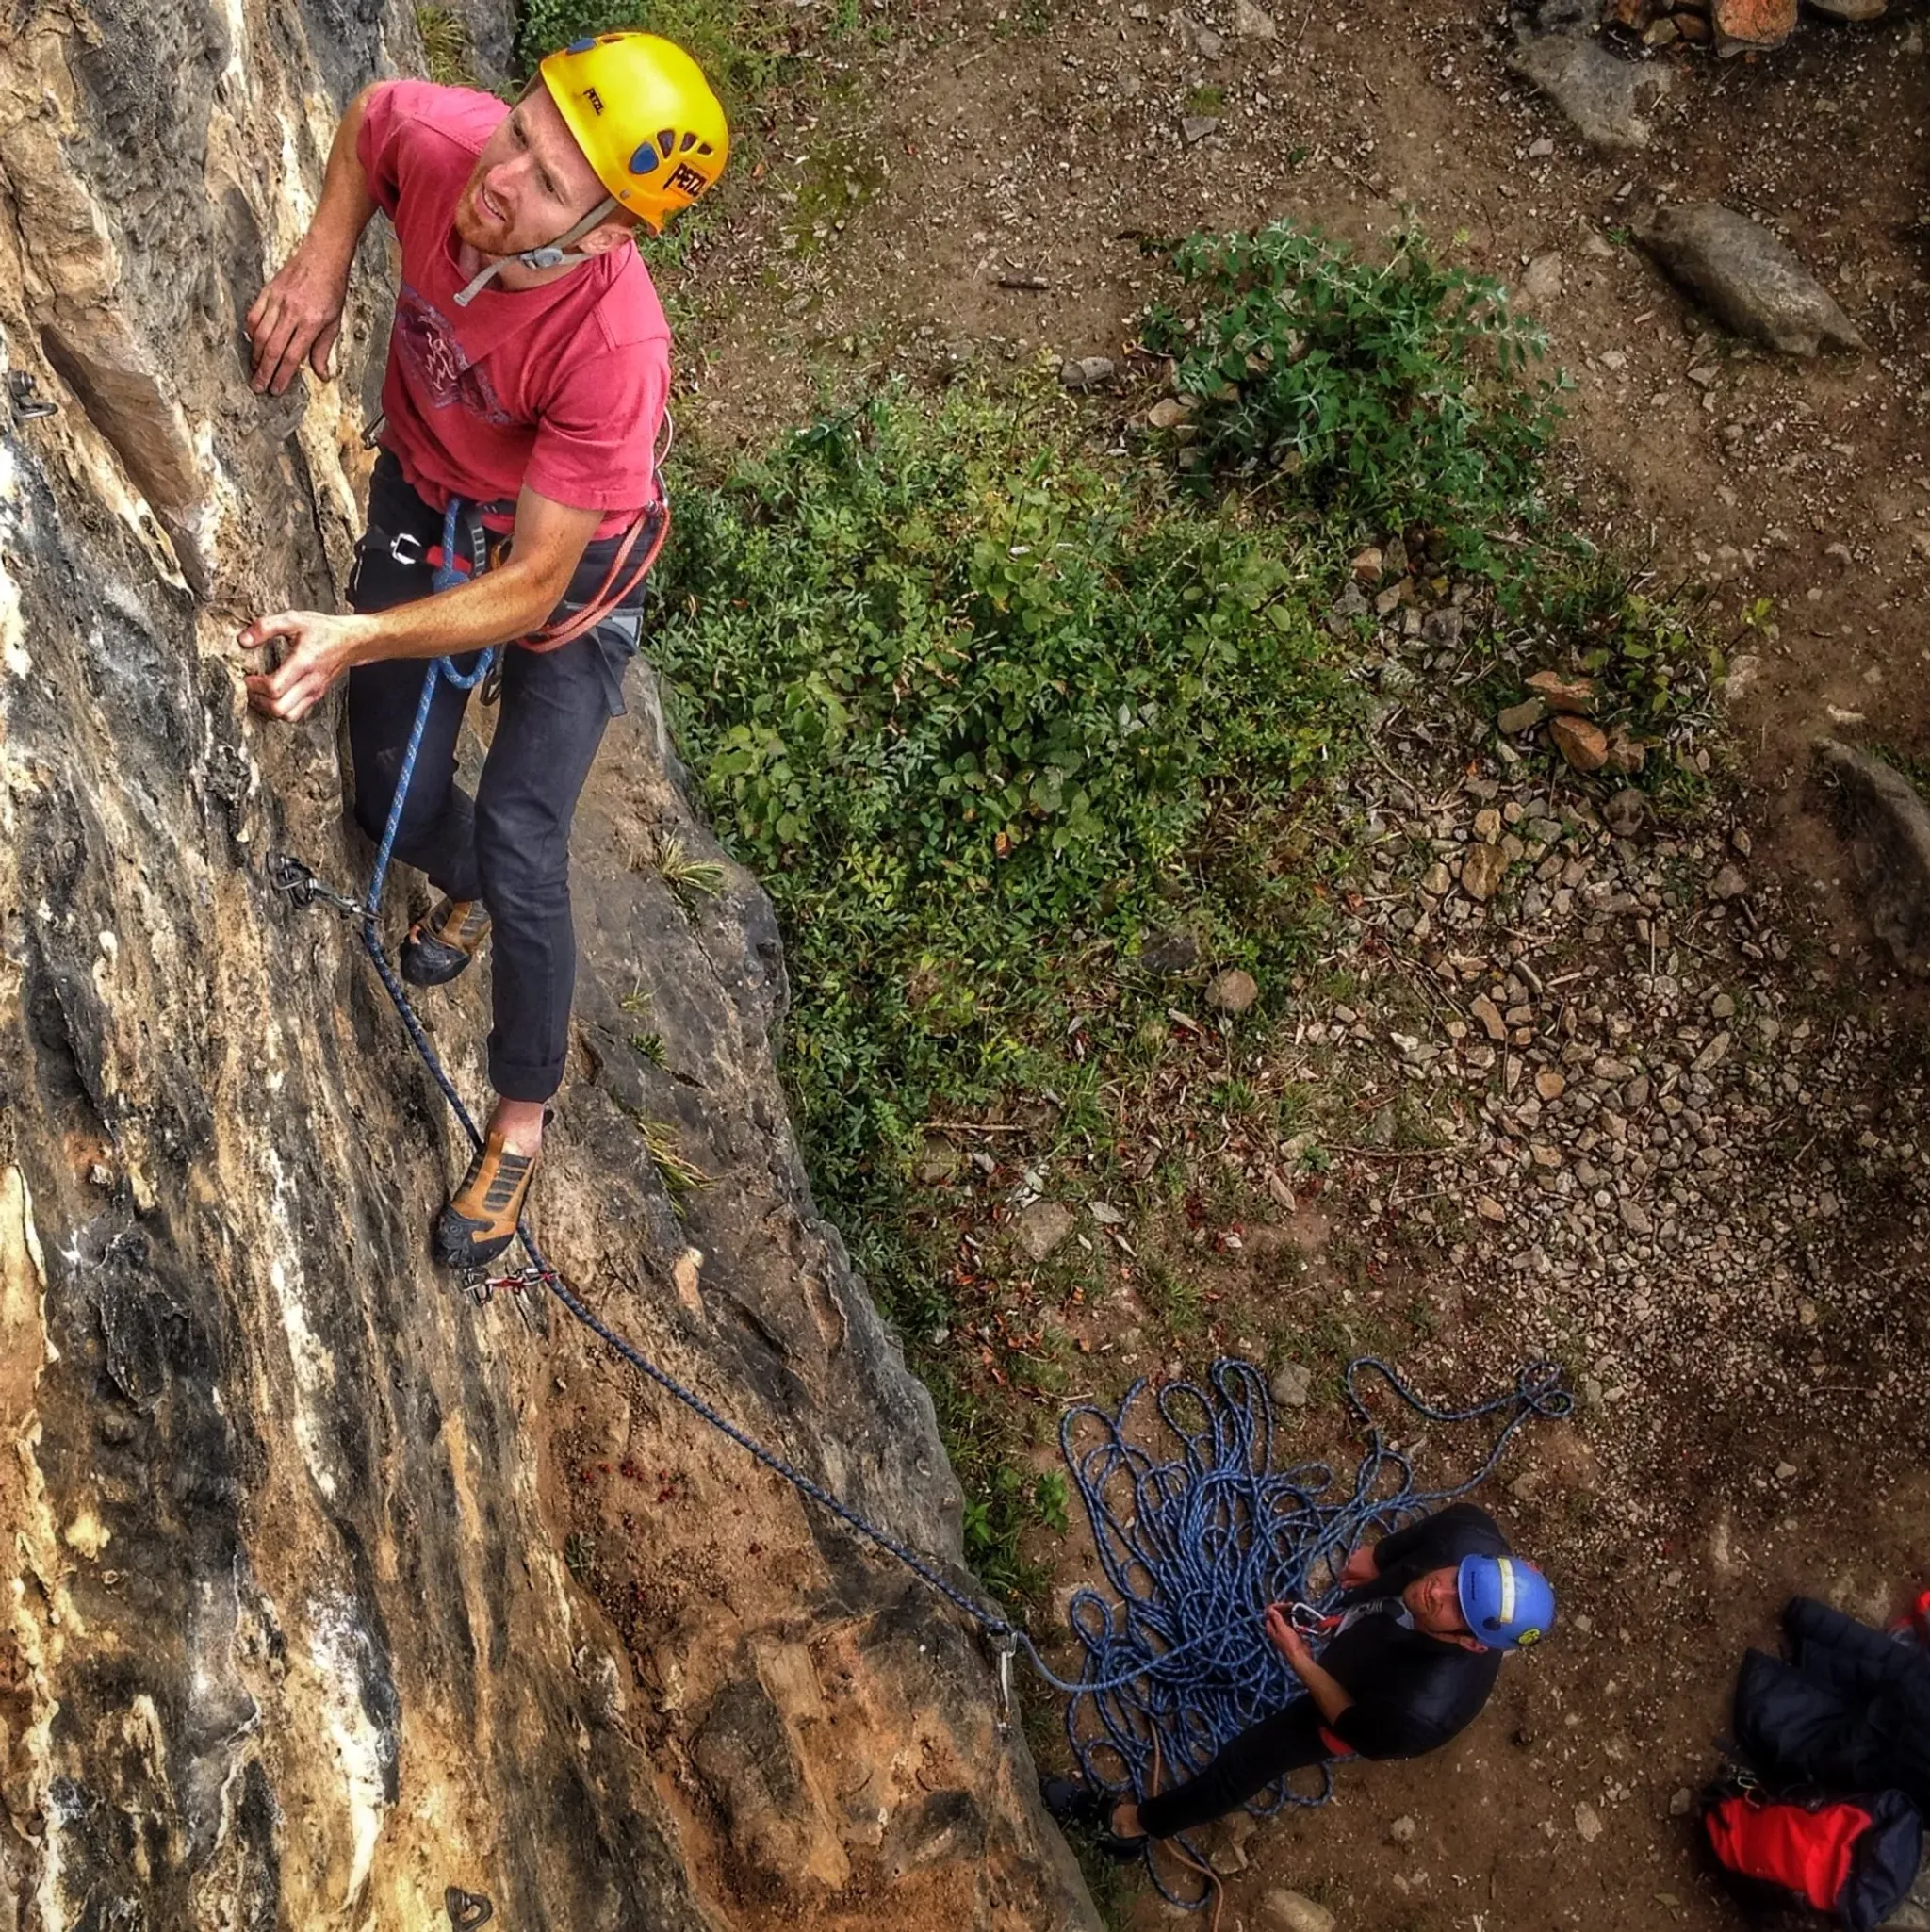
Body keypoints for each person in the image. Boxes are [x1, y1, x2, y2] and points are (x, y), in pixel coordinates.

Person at [237, 35, 728, 1267]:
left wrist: (359, 634)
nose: (502, 178)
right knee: (384, 795)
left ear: (610, 232)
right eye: (522, 130)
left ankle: (519, 1118)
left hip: (560, 569)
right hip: (427, 491)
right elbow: (369, 119)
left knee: (522, 833)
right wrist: (324, 253)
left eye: (551, 184)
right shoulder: (453, 147)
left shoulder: (614, 347)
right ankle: (472, 885)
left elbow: (530, 589)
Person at [1045, 1501, 1554, 1856]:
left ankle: (1129, 1828)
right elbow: (1419, 1543)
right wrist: (1375, 1560)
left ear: (1472, 1642)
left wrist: (1301, 1658)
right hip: (1374, 1646)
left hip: (1361, 1707)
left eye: (1453, 1607)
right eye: (1452, 1577)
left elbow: (1351, 1723)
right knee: (1397, 1599)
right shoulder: (1467, 1533)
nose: (1436, 1592)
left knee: (1243, 1762)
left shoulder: (1420, 1710)